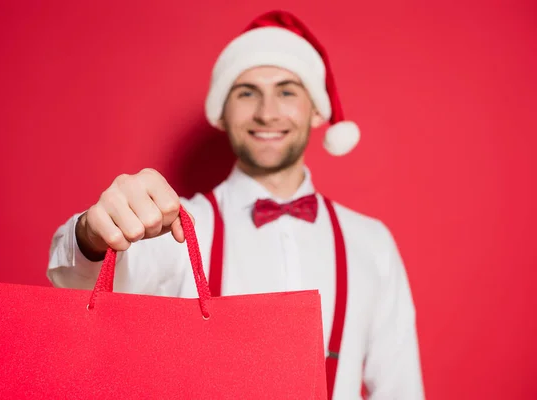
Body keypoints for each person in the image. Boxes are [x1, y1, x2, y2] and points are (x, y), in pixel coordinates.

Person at [47, 10, 425, 400]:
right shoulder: (177, 227)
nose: (267, 112)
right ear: (222, 113)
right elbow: (77, 282)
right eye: (246, 92)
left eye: (287, 90)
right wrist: (92, 233)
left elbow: (401, 389)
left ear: (316, 111)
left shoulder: (371, 241)